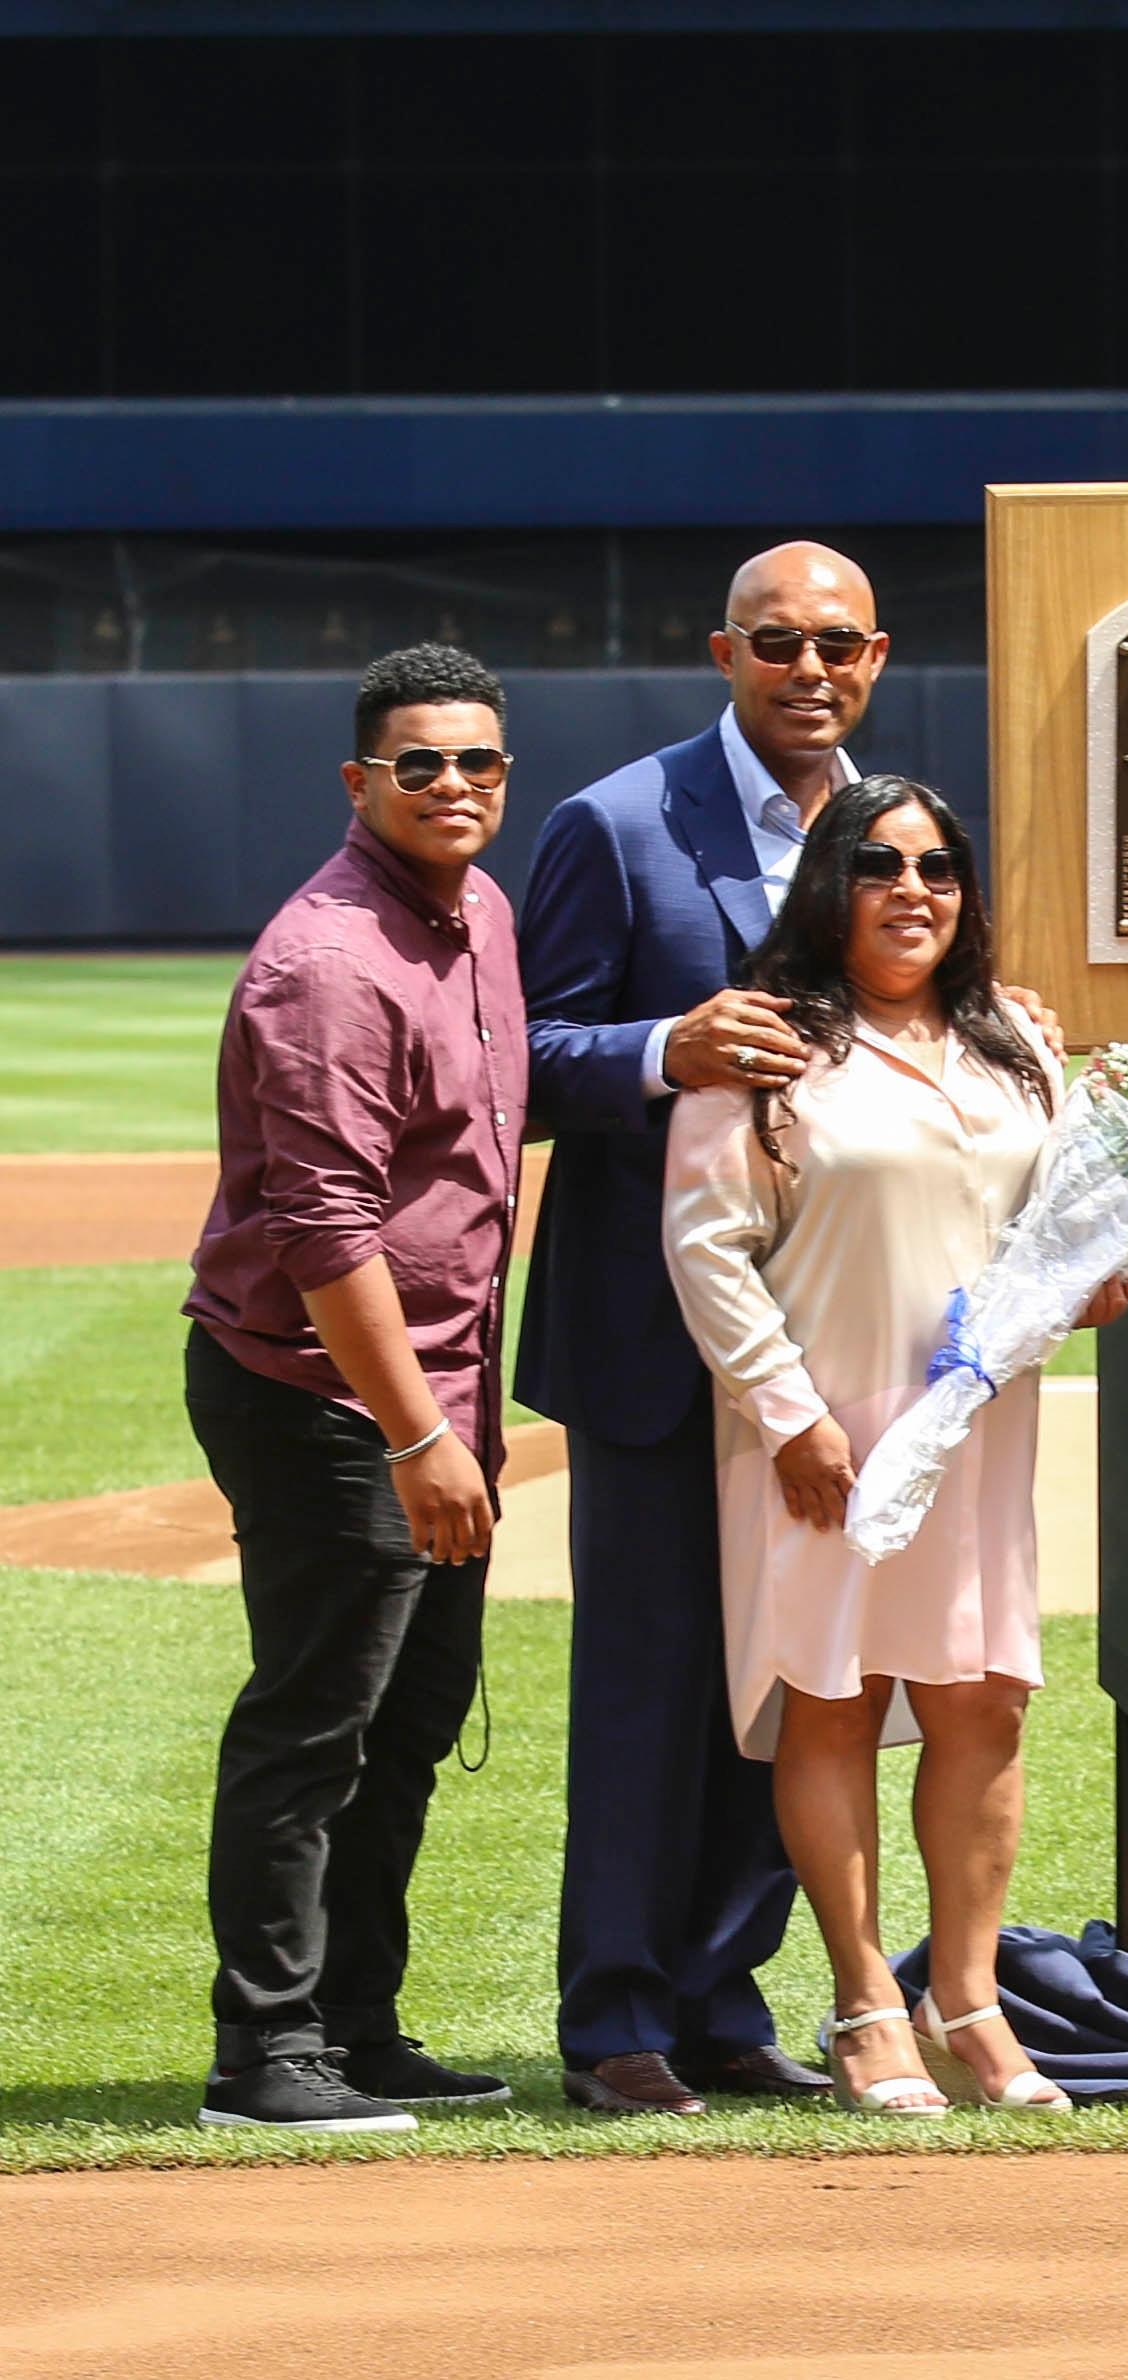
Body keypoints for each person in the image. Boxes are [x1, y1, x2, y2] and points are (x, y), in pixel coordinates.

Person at [665, 777, 1122, 2118]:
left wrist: (1106, 1273)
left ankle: (968, 2000)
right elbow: (707, 1248)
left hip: (976, 1438)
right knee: (837, 1697)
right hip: (826, 1437)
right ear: (828, 888)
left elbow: (1058, 1228)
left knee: (987, 1694)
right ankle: (868, 1999)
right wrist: (785, 1410)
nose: (911, 889)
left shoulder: (1017, 1052)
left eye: (936, 865)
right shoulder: (770, 1049)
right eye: (877, 864)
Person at [522, 542, 888, 2115]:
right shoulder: (616, 825)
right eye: (778, 645)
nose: (810, 672)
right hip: (655, 1346)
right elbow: (518, 1060)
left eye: (839, 648)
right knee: (653, 1675)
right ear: (723, 655)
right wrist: (665, 1047)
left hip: (832, 1343)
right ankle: (615, 2015)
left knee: (793, 1675)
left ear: (877, 658)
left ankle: (725, 1996)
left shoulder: (894, 836)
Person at [183, 645, 527, 2132]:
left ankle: (355, 2023)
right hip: (324, 1390)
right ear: (359, 780)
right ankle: (264, 2051)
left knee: (415, 1717)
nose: (455, 786)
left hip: (436, 1379)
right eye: (422, 764)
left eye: (481, 762)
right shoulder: (327, 962)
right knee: (318, 1721)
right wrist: (418, 1436)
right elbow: (325, 1232)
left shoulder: (481, 912)